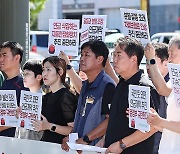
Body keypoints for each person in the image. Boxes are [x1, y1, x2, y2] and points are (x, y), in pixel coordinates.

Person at [103, 37, 159, 154]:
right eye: (113, 55)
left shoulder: (143, 87)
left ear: (133, 59)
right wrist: (104, 141)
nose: (114, 60)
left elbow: (153, 126)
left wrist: (121, 144)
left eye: (119, 55)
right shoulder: (122, 83)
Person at [61, 40, 116, 151]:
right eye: (81, 55)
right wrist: (70, 137)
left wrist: (86, 139)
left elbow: (111, 120)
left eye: (87, 55)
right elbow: (82, 117)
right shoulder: (85, 84)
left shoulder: (108, 85)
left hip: (95, 149)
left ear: (100, 59)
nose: (82, 58)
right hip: (80, 147)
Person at [145, 36, 180, 153]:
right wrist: (155, 120)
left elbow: (162, 89)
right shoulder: (175, 79)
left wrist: (160, 122)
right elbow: (163, 89)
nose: (169, 59)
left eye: (172, 54)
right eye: (168, 54)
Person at [33, 56, 77, 144]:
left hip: (60, 148)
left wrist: (49, 126)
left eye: (48, 70)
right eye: (43, 70)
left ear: (60, 72)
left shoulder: (66, 96)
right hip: (45, 145)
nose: (44, 74)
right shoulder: (46, 97)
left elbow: (73, 130)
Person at [0, 41, 28, 137]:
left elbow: (22, 117)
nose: (1, 59)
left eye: (4, 55)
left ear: (17, 57)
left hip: (15, 143)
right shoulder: (5, 82)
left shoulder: (25, 83)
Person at [146, 43, 169, 154]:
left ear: (166, 63)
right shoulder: (147, 84)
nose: (148, 66)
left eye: (152, 61)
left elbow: (163, 89)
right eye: (147, 61)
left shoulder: (172, 86)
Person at [16, 59, 44, 140]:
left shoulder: (44, 100)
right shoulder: (25, 98)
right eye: (23, 74)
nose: (24, 77)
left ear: (39, 77)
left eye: (27, 74)